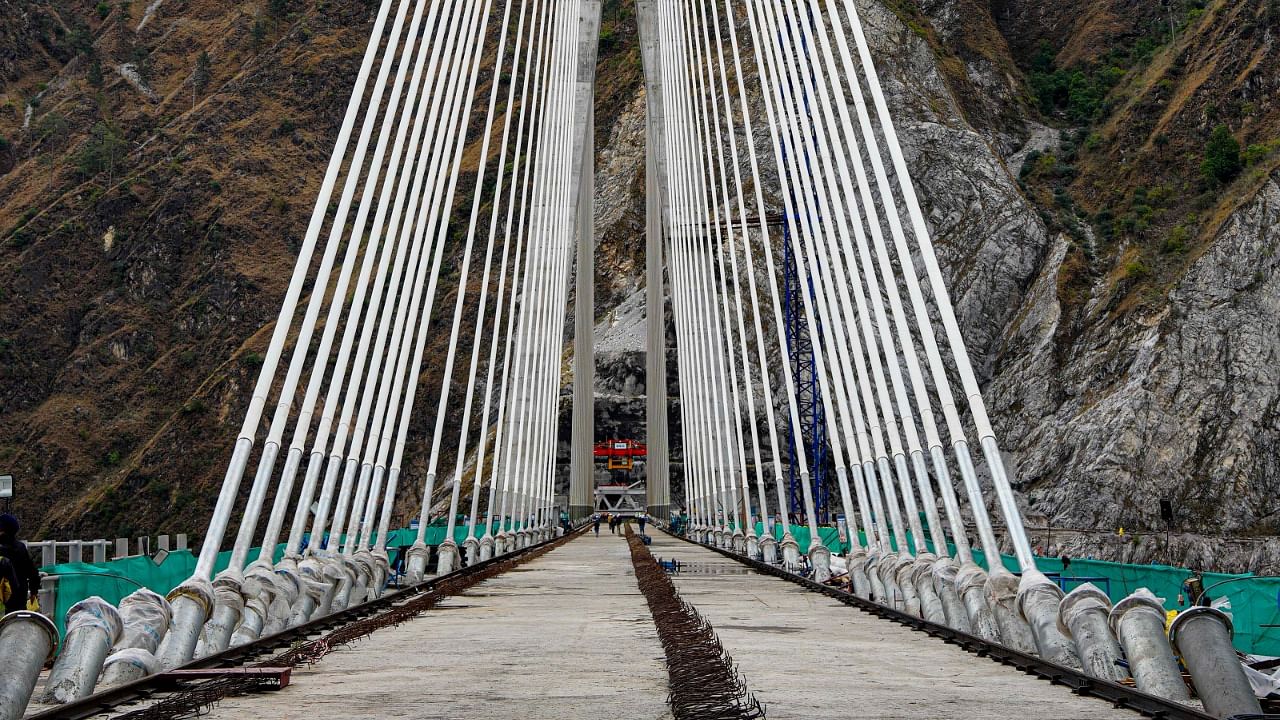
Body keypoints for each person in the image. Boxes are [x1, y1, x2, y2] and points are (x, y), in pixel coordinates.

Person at [0, 514, 40, 614]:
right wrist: (33, 591)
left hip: (2, 595)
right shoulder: (20, 547)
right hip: (19, 595)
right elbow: (32, 572)